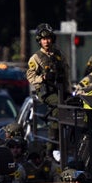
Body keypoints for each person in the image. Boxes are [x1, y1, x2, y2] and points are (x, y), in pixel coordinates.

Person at [26, 23, 70, 151]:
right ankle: (52, 146)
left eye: (48, 38)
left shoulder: (59, 55)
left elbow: (66, 73)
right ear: (39, 41)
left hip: (60, 89)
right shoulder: (36, 58)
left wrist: (68, 90)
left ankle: (67, 141)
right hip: (46, 92)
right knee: (59, 106)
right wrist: (43, 78)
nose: (46, 41)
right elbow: (30, 77)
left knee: (73, 105)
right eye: (43, 39)